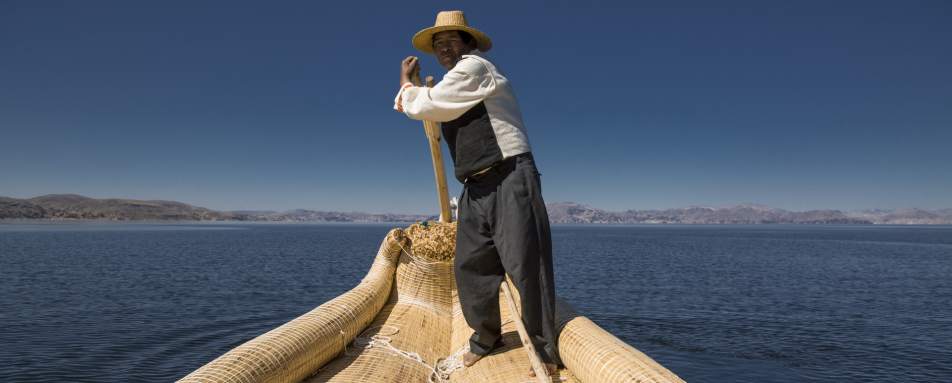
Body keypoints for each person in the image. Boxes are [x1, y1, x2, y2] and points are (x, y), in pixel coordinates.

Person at [392, 10, 560, 377]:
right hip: (473, 186)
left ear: (468, 44)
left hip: (510, 176)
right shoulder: (451, 87)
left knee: (525, 264)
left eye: (452, 40)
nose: (445, 48)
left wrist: (407, 84)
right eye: (439, 45)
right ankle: (486, 339)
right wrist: (423, 94)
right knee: (470, 267)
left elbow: (427, 104)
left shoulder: (475, 69)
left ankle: (544, 349)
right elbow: (433, 106)